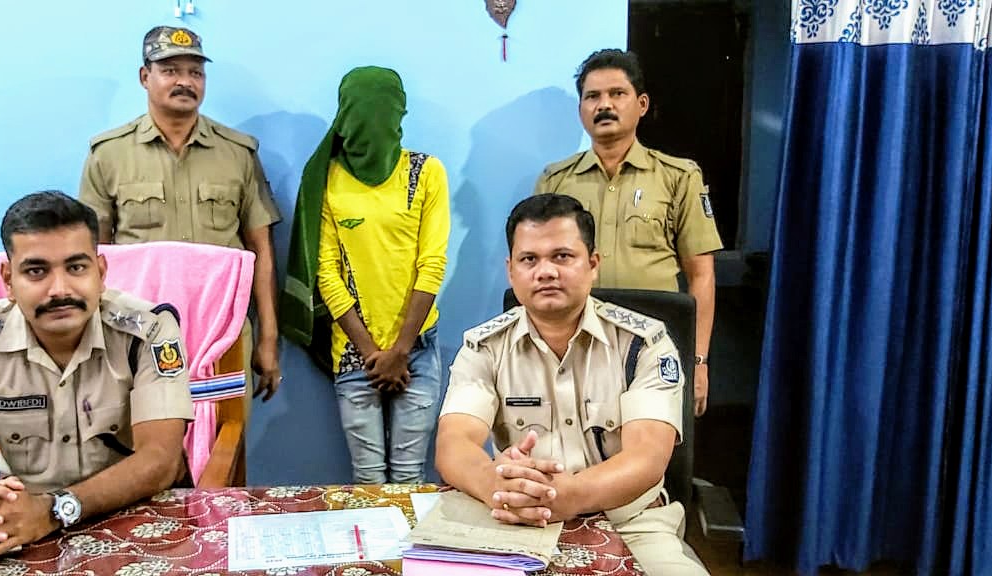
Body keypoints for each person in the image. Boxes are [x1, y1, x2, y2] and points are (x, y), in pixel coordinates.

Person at [0, 191, 193, 560]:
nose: (59, 289)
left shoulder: (148, 331)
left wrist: (54, 510)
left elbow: (161, 459)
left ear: (101, 272)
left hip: (135, 521)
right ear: (8, 280)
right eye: (36, 271)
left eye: (76, 268)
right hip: (22, 533)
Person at [435, 194, 707, 575]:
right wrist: (491, 482)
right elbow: (454, 443)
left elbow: (647, 456)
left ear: (593, 264)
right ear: (511, 271)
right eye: (529, 259)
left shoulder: (644, 344)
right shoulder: (484, 347)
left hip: (632, 524)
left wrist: (570, 495)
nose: (545, 271)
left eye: (562, 256)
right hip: (518, 521)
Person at [79, 26, 283, 401]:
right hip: (137, 331)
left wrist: (268, 337)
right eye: (170, 70)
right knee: (143, 435)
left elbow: (261, 251)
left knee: (226, 434)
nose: (185, 82)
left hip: (223, 331)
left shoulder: (237, 153)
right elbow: (93, 256)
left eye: (195, 72)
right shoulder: (109, 155)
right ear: (145, 76)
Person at [281, 67, 450, 483]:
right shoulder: (327, 179)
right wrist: (374, 353)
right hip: (354, 351)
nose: (372, 122)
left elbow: (432, 264)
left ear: (400, 115)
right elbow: (326, 273)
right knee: (369, 479)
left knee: (409, 476)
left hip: (418, 348)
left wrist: (401, 350)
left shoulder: (426, 172)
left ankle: (409, 537)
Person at [534, 49, 722, 416]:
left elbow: (701, 274)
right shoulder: (555, 182)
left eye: (617, 94)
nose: (604, 105)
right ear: (581, 110)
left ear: (642, 104)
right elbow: (539, 270)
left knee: (653, 447)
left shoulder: (678, 177)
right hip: (574, 350)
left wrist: (698, 359)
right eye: (592, 96)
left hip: (654, 350)